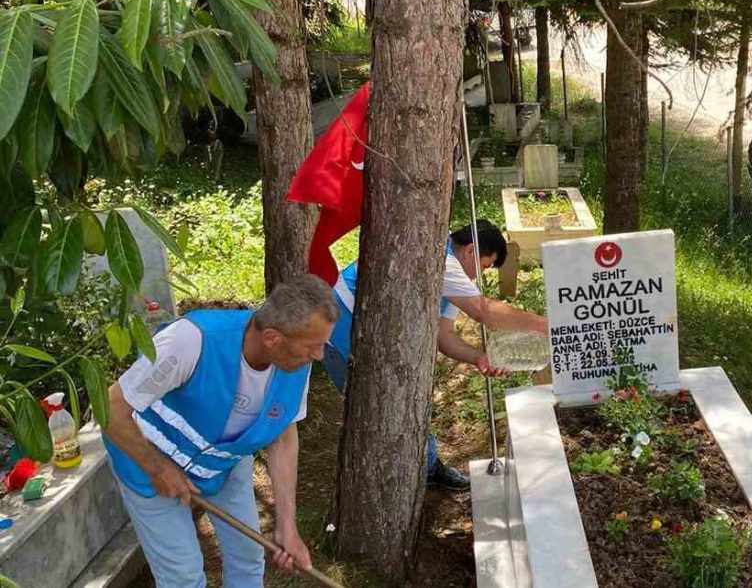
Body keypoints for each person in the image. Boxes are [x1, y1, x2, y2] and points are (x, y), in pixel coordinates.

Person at [103, 275, 338, 588]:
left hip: (223, 464)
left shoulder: (297, 362)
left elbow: (282, 437)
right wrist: (157, 468)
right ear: (272, 338)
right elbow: (111, 409)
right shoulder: (189, 341)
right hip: (145, 463)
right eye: (313, 346)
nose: (319, 356)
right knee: (182, 577)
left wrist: (288, 527)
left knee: (249, 556)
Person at [323, 220, 548, 491]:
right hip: (341, 326)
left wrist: (479, 357)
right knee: (378, 405)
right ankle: (381, 482)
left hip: (366, 331)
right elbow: (483, 312)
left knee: (400, 401)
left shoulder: (452, 278)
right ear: (469, 250)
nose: (478, 277)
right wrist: (546, 325)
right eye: (484, 266)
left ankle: (421, 468)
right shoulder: (438, 257)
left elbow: (444, 336)